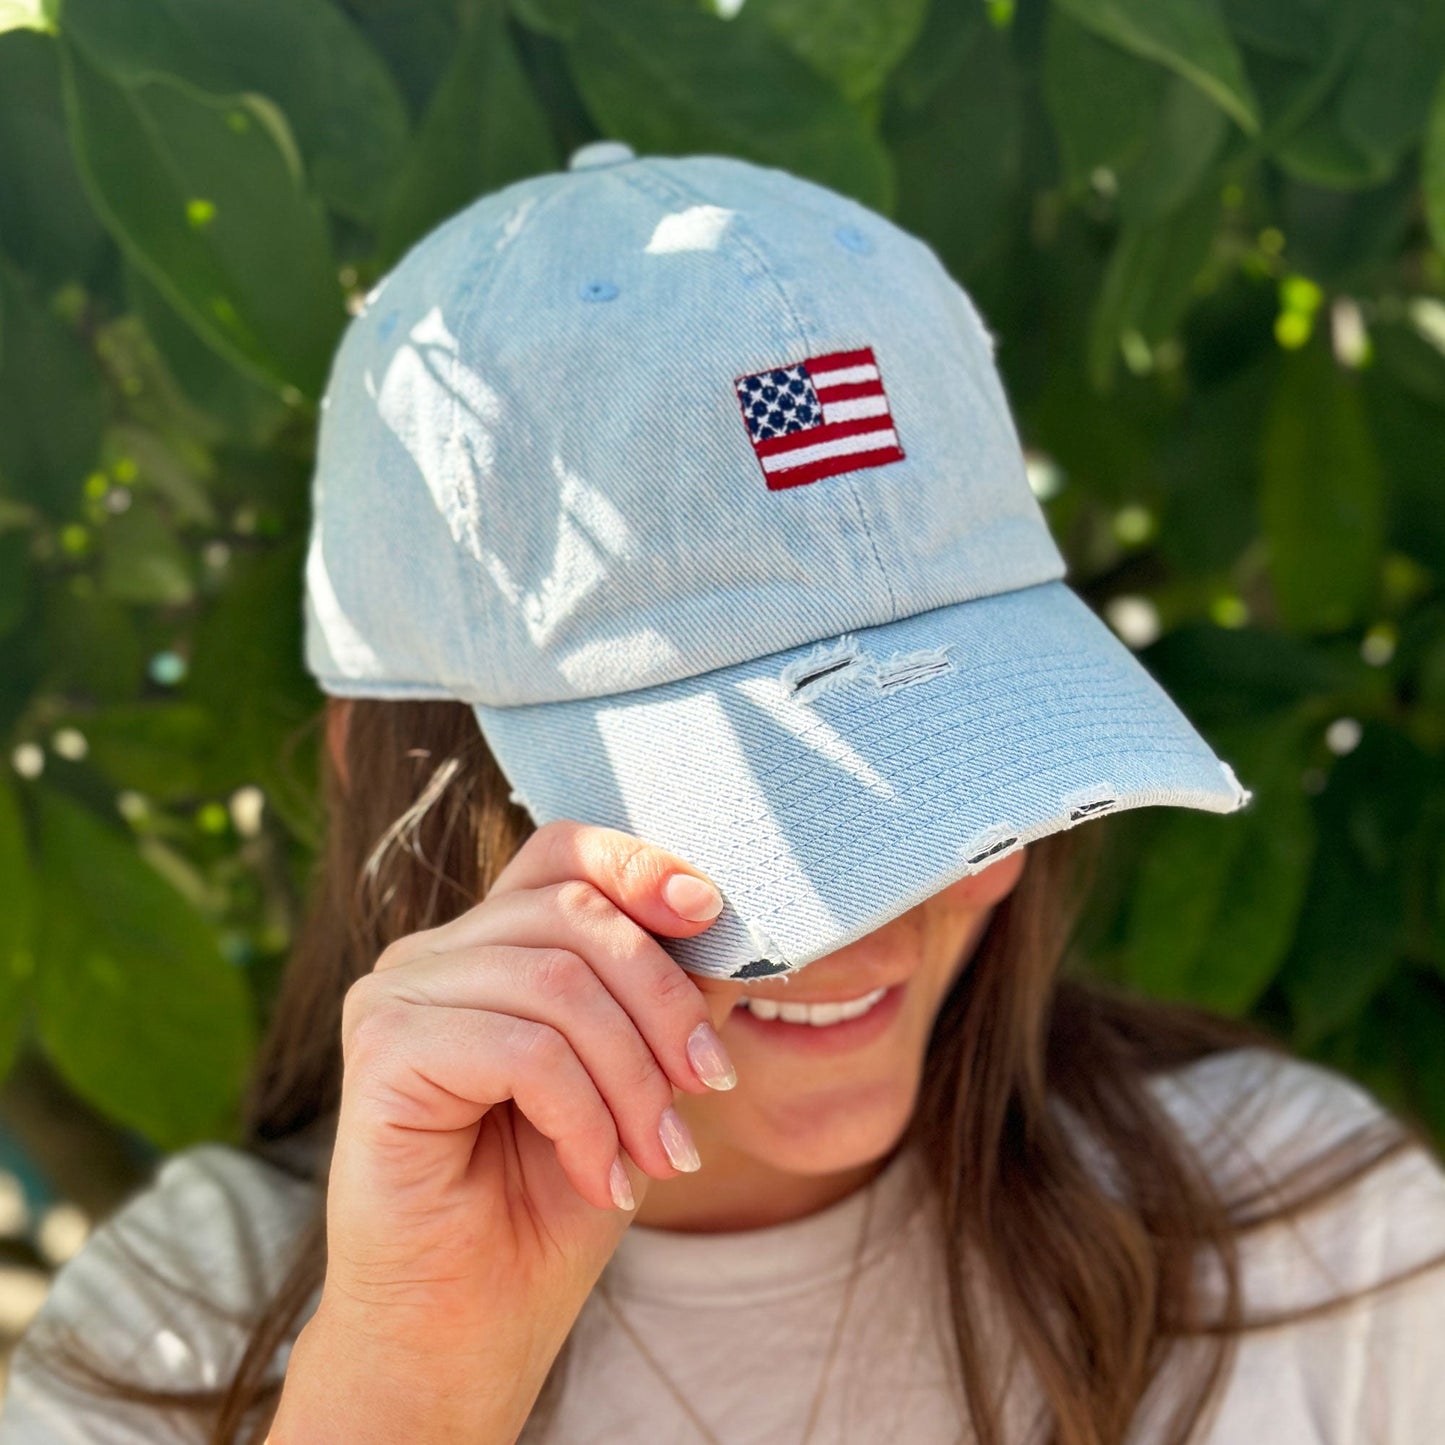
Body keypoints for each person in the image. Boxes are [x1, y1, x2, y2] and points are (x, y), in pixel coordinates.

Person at [2, 141, 1444, 1445]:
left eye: (971, 770)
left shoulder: (1320, 1243)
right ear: (386, 762)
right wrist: (410, 1384)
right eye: (749, 816)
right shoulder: (181, 1331)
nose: (879, 900)